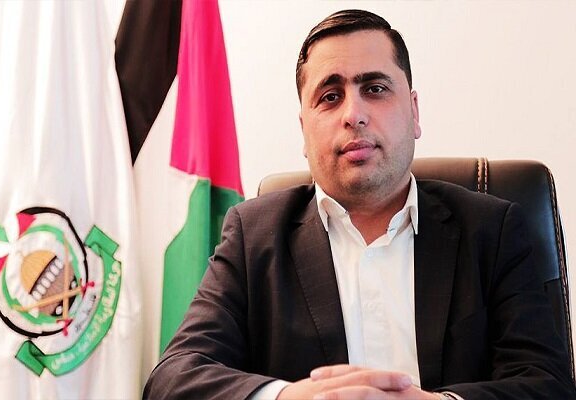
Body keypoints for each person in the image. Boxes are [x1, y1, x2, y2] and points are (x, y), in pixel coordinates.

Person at [144, 9, 575, 400]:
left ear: (414, 111)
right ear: (304, 129)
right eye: (330, 96)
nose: (354, 113)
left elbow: (547, 383)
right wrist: (286, 398)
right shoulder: (253, 236)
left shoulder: (492, 230)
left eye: (375, 88)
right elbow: (173, 379)